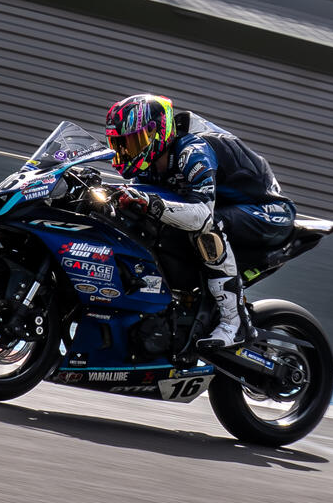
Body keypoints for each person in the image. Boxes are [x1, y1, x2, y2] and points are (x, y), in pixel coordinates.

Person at [103, 92, 295, 376]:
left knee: (207, 227)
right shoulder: (149, 168)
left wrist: (153, 204)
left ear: (158, 131)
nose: (128, 151)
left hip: (268, 211)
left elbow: (201, 214)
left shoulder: (193, 150)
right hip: (228, 209)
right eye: (121, 144)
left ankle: (234, 322)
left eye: (134, 141)